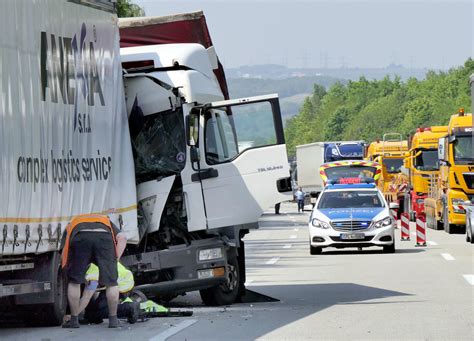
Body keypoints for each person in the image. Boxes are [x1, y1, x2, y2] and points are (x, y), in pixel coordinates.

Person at [61, 214, 127, 328]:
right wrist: (114, 260)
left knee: (74, 282)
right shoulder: (106, 221)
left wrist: (68, 270)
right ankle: (113, 320)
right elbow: (122, 238)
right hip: (104, 238)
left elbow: (64, 252)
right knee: (111, 283)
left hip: (80, 237)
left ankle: (74, 321)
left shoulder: (71, 224)